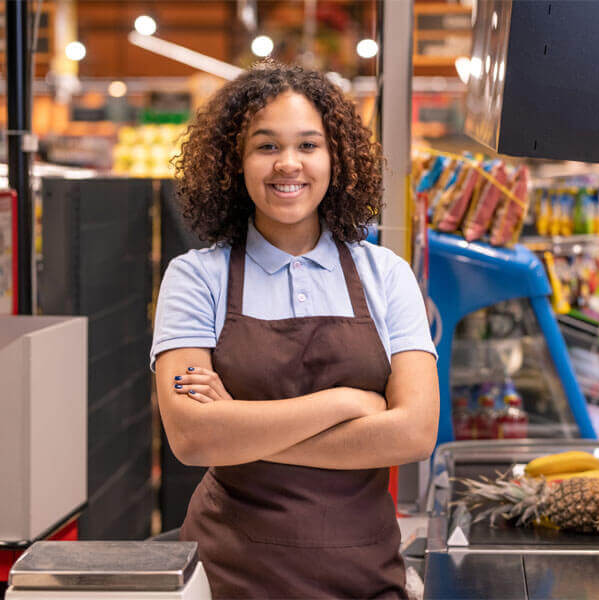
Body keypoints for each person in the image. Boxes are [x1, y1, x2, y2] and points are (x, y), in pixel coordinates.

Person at [150, 60, 439, 599]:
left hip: (363, 575)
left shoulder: (386, 276)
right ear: (234, 163)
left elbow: (415, 433)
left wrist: (239, 430)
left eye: (309, 145)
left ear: (337, 158)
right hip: (229, 577)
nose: (288, 165)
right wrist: (349, 402)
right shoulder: (195, 278)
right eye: (265, 146)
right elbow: (192, 436)